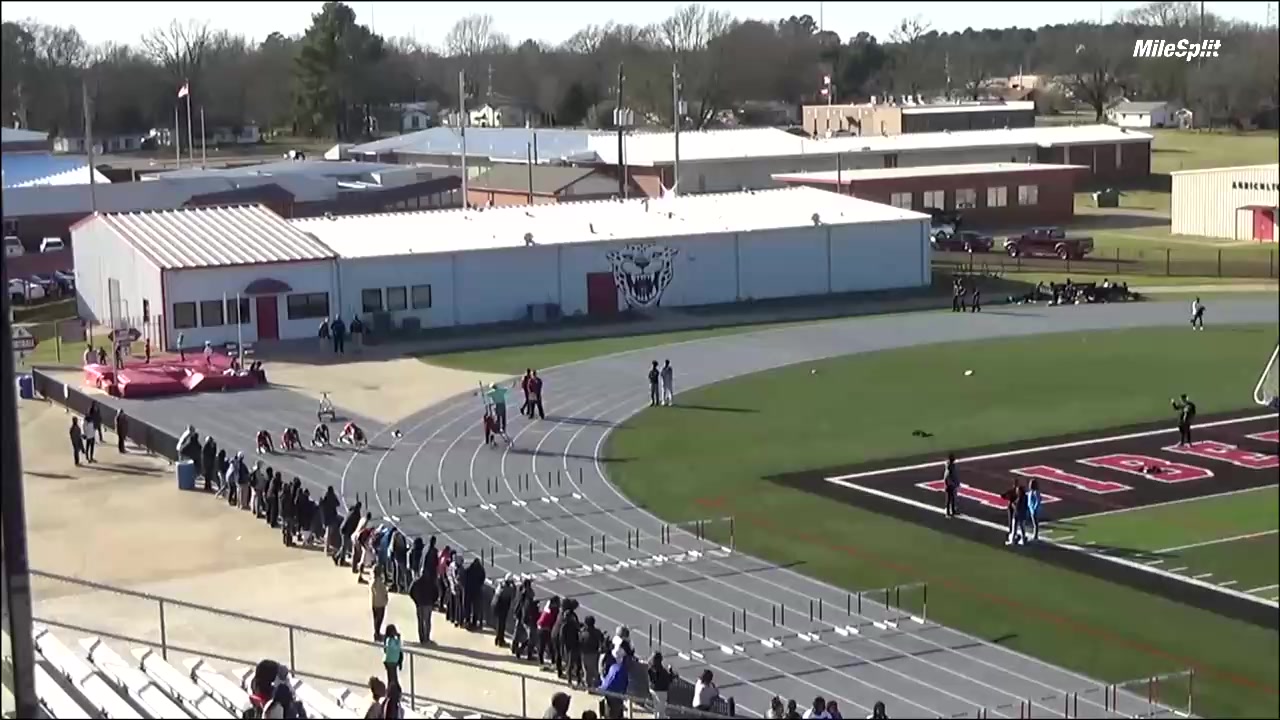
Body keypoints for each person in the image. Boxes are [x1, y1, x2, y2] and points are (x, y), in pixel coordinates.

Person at [408, 565, 437, 644]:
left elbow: (410, 591)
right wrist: (433, 601)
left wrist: (416, 600)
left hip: (420, 604)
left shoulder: (416, 582)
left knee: (420, 622)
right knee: (427, 621)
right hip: (428, 604)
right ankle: (427, 638)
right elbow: (436, 592)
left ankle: (422, 638)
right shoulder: (431, 582)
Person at [599, 652, 628, 719]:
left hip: (605, 688)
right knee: (615, 711)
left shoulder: (614, 666)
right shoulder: (624, 670)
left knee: (610, 707)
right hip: (614, 692)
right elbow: (624, 685)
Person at [647, 652, 676, 718]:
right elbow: (669, 679)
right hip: (662, 691)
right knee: (661, 710)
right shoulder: (663, 671)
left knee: (656, 708)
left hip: (653, 690)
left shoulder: (651, 669)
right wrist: (670, 671)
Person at [580, 615, 604, 688]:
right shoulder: (597, 632)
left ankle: (589, 686)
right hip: (595, 654)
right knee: (595, 670)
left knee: (587, 671)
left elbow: (580, 642)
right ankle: (595, 685)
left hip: (585, 654)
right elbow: (602, 640)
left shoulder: (583, 633)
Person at [492, 575, 516, 647]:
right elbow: (513, 595)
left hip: (497, 606)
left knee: (499, 624)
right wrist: (514, 586)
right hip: (503, 608)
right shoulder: (508, 589)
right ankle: (500, 640)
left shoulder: (501, 585)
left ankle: (497, 639)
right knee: (501, 624)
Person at [371, 567, 390, 641]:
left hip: (374, 603)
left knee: (375, 619)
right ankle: (377, 633)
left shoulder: (372, 581)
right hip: (381, 604)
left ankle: (376, 633)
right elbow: (384, 592)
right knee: (380, 619)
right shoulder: (381, 583)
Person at [382, 624, 403, 689]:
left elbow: (398, 647)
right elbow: (395, 648)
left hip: (393, 661)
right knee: (392, 679)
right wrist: (398, 639)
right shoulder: (389, 640)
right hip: (390, 661)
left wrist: (398, 639)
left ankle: (395, 691)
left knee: (393, 678)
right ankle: (391, 691)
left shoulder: (393, 640)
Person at [942, 453, 960, 518]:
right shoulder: (950, 467)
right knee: (949, 499)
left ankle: (952, 511)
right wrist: (946, 484)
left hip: (951, 484)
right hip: (950, 485)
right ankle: (948, 513)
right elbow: (946, 476)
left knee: (952, 499)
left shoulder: (951, 465)